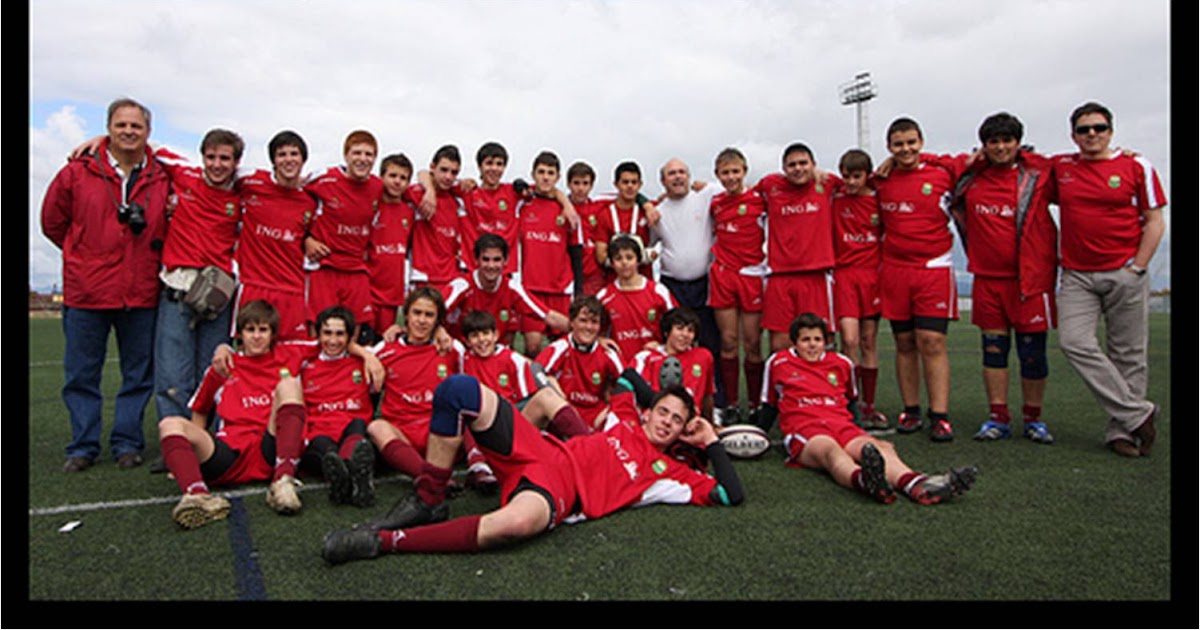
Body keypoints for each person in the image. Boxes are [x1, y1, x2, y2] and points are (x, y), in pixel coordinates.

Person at [320, 376, 743, 564]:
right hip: (540, 449)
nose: (666, 422)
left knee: (516, 524)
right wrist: (660, 402)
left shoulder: (670, 474)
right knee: (458, 390)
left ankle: (388, 542)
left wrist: (707, 440)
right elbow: (629, 380)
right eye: (662, 412)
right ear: (649, 413)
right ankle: (429, 499)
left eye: (676, 420)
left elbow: (729, 495)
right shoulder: (625, 417)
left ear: (681, 431)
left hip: (559, 488)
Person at [41, 97, 171, 473]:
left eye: (136, 126)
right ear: (108, 129)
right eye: (121, 125)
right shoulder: (77, 172)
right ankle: (82, 446)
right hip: (88, 291)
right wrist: (81, 252)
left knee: (137, 374)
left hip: (141, 291)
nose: (129, 132)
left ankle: (127, 443)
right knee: (82, 373)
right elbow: (52, 221)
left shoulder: (163, 173)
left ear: (148, 133)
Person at [758, 313, 978, 505]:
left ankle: (915, 484)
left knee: (877, 448)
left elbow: (851, 402)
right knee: (830, 452)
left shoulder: (841, 363)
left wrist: (860, 432)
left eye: (818, 339)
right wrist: (758, 436)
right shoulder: (779, 363)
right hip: (806, 428)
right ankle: (865, 481)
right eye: (806, 340)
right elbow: (769, 406)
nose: (813, 345)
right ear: (794, 342)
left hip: (841, 424)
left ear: (826, 342)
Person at [1051, 102, 1166, 458]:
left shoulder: (1136, 165)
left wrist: (1138, 268)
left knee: (1128, 354)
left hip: (1124, 271)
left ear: (1111, 131)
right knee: (1073, 342)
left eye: (1099, 128)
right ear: (1073, 135)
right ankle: (1138, 414)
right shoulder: (1061, 167)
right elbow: (1019, 165)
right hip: (1076, 275)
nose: (1092, 135)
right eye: (1084, 130)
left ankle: (1122, 432)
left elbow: (1155, 219)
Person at [944, 113, 1059, 444]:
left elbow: (1075, 172)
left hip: (1029, 282)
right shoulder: (970, 178)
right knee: (994, 350)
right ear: (984, 145)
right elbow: (934, 163)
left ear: (1018, 143)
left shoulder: (1039, 174)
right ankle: (998, 418)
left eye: (1007, 140)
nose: (1001, 147)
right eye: (993, 141)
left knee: (1032, 353)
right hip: (987, 280)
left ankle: (1034, 419)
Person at [156, 300, 314, 528]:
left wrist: (366, 355)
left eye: (263, 330)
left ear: (273, 334)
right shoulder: (223, 366)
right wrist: (188, 458)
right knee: (169, 424)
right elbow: (200, 410)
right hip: (230, 453)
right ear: (240, 334)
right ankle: (197, 495)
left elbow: (335, 342)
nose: (257, 336)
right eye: (250, 330)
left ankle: (283, 480)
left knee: (288, 385)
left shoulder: (289, 354)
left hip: (270, 448)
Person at [873, 118, 960, 441]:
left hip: (933, 268)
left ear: (922, 142)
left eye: (911, 142)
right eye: (898, 144)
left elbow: (971, 160)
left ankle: (940, 415)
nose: (906, 149)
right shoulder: (881, 179)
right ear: (889, 148)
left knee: (932, 341)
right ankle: (911, 410)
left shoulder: (943, 172)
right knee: (904, 342)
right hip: (895, 270)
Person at [365, 288, 497, 490]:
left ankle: (478, 467)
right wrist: (365, 355)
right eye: (417, 313)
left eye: (429, 315)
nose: (422, 320)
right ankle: (431, 477)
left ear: (438, 321)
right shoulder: (384, 350)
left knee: (470, 404)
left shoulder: (451, 349)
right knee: (376, 427)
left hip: (442, 435)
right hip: (403, 433)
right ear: (406, 315)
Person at [651, 158, 726, 414]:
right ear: (663, 181)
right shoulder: (657, 210)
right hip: (673, 285)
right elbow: (648, 245)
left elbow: (741, 186)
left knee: (709, 344)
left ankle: (716, 404)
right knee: (676, 345)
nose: (678, 177)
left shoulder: (706, 194)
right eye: (671, 173)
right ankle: (674, 403)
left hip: (705, 283)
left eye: (682, 172)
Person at [753, 142, 838, 354]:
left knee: (817, 345)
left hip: (815, 275)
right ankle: (781, 387)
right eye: (792, 165)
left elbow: (862, 178)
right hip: (780, 277)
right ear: (783, 169)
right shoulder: (770, 186)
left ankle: (822, 387)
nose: (798, 168)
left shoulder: (827, 184)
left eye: (803, 163)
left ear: (814, 165)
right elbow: (739, 192)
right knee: (779, 345)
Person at [235, 130, 318, 340]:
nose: (288, 160)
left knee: (291, 357)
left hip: (293, 289)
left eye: (294, 154)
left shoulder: (310, 199)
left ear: (303, 160)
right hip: (255, 285)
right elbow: (215, 176)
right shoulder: (251, 182)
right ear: (273, 160)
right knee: (252, 355)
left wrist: (309, 239)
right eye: (282, 155)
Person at [459, 310, 592, 440]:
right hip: (482, 424)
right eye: (475, 335)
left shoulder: (514, 359)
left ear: (495, 335)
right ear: (467, 341)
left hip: (512, 423)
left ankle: (587, 443)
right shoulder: (462, 359)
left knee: (547, 395)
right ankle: (477, 458)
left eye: (486, 333)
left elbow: (524, 399)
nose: (481, 339)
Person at [303, 130, 385, 337]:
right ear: (346, 155)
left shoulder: (377, 186)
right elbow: (292, 198)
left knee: (354, 330)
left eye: (368, 154)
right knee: (321, 329)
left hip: (356, 268)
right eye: (357, 153)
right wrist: (306, 239)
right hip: (325, 266)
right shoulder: (324, 178)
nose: (362, 159)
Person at [708, 148, 768, 425]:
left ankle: (756, 403)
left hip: (752, 276)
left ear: (744, 171)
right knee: (729, 342)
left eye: (735, 171)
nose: (730, 177)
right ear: (717, 175)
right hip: (723, 276)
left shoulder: (759, 199)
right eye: (725, 172)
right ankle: (731, 403)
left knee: (753, 344)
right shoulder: (715, 202)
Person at [830, 149, 888, 432]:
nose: (850, 182)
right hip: (844, 276)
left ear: (867, 175)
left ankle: (869, 404)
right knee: (849, 341)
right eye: (846, 176)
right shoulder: (835, 196)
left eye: (856, 176)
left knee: (868, 341)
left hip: (872, 276)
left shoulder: (878, 198)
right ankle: (848, 400)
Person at [300, 306, 377, 507]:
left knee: (359, 425)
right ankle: (354, 479)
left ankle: (345, 481)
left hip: (352, 431)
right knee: (325, 450)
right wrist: (225, 348)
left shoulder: (364, 359)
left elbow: (399, 345)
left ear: (350, 337)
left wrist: (367, 355)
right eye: (327, 333)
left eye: (340, 334)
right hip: (318, 436)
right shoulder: (304, 362)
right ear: (318, 334)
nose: (333, 341)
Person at [514, 151, 585, 357]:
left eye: (550, 173)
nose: (545, 177)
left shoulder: (567, 210)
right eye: (541, 172)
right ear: (533, 174)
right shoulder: (522, 204)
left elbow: (576, 251)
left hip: (560, 289)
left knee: (563, 348)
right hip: (531, 287)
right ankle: (530, 387)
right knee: (532, 347)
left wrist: (578, 290)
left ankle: (560, 388)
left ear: (558, 177)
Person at [441, 233, 569, 345]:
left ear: (506, 261)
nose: (491, 266)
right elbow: (432, 312)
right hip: (462, 353)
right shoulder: (461, 285)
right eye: (486, 259)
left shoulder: (512, 287)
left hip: (495, 353)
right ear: (476, 260)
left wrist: (581, 329)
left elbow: (548, 316)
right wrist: (440, 333)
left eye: (497, 260)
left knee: (530, 367)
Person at [536, 296, 626, 429]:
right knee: (548, 379)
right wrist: (560, 398)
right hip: (565, 411)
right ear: (572, 322)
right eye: (583, 321)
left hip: (596, 415)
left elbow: (627, 382)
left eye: (594, 322)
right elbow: (536, 372)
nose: (589, 327)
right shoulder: (560, 347)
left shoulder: (608, 353)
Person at [596, 235, 678, 360]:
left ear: (638, 260)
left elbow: (679, 324)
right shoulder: (604, 296)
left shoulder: (658, 291)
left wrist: (664, 345)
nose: (624, 263)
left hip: (655, 364)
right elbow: (589, 329)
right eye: (618, 259)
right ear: (611, 263)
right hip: (622, 368)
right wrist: (599, 339)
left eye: (629, 257)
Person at [628, 307, 715, 421]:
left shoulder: (703, 357)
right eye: (679, 328)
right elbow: (629, 396)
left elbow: (707, 396)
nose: (685, 334)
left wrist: (710, 423)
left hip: (691, 426)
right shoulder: (645, 358)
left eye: (690, 330)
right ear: (666, 332)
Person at [366, 153, 416, 336]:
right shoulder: (371, 206)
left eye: (403, 178)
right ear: (382, 177)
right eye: (393, 176)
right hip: (368, 291)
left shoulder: (409, 212)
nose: (397, 182)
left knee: (383, 345)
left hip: (392, 296)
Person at [407, 145, 467, 288]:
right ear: (433, 167)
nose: (448, 177)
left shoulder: (457, 199)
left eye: (454, 172)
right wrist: (429, 189)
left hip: (452, 279)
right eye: (444, 170)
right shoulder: (416, 193)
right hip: (423, 279)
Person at [593, 161, 658, 280]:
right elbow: (601, 256)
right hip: (614, 283)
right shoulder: (605, 214)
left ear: (640, 185)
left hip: (644, 283)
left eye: (634, 182)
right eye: (625, 182)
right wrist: (632, 259)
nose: (630, 186)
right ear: (616, 184)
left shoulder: (651, 210)